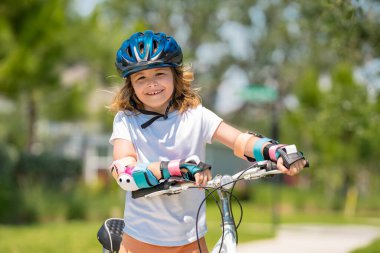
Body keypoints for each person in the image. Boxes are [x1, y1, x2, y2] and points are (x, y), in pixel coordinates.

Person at [108, 30, 307, 253]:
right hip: (142, 240)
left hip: (192, 239)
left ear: (176, 75)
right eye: (141, 78)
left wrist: (275, 151)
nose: (152, 83)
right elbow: (125, 172)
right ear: (131, 85)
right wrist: (173, 169)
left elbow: (239, 140)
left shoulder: (195, 115)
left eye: (160, 74)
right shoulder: (127, 121)